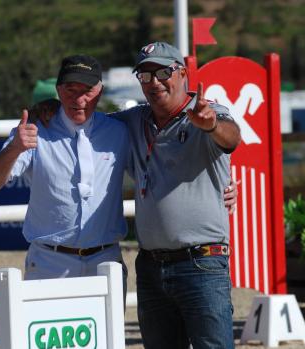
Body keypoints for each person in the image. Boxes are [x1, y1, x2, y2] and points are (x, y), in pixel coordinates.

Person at [33, 42, 241, 349]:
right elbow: (86, 117)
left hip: (201, 263)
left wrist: (210, 125)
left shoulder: (206, 112)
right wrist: (51, 105)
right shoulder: (133, 120)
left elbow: (231, 136)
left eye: (162, 72)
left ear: (182, 73)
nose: (154, 82)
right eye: (145, 75)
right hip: (150, 266)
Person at [0, 55, 130, 285]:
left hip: (105, 261)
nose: (79, 98)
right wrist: (14, 148)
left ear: (100, 91)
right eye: (71, 89)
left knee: (108, 323)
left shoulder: (120, 131)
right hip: (50, 262)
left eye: (87, 90)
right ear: (58, 90)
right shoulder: (34, 130)